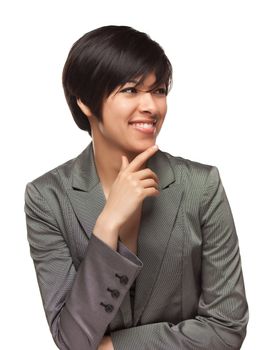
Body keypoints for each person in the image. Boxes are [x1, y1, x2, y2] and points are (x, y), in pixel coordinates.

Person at [24, 25, 249, 350]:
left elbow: (226, 328)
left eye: (158, 90)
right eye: (130, 90)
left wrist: (114, 346)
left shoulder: (202, 187)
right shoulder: (47, 198)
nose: (152, 107)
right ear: (85, 102)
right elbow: (71, 340)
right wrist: (107, 225)